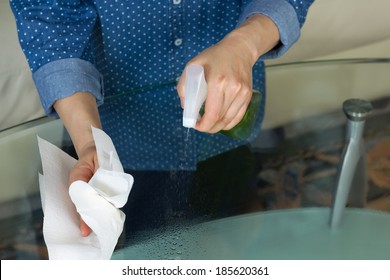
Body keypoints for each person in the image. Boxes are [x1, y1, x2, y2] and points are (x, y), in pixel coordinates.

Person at [10, 0, 314, 237]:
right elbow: (48, 18)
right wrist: (91, 143)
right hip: (119, 141)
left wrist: (244, 45)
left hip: (229, 132)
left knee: (231, 231)